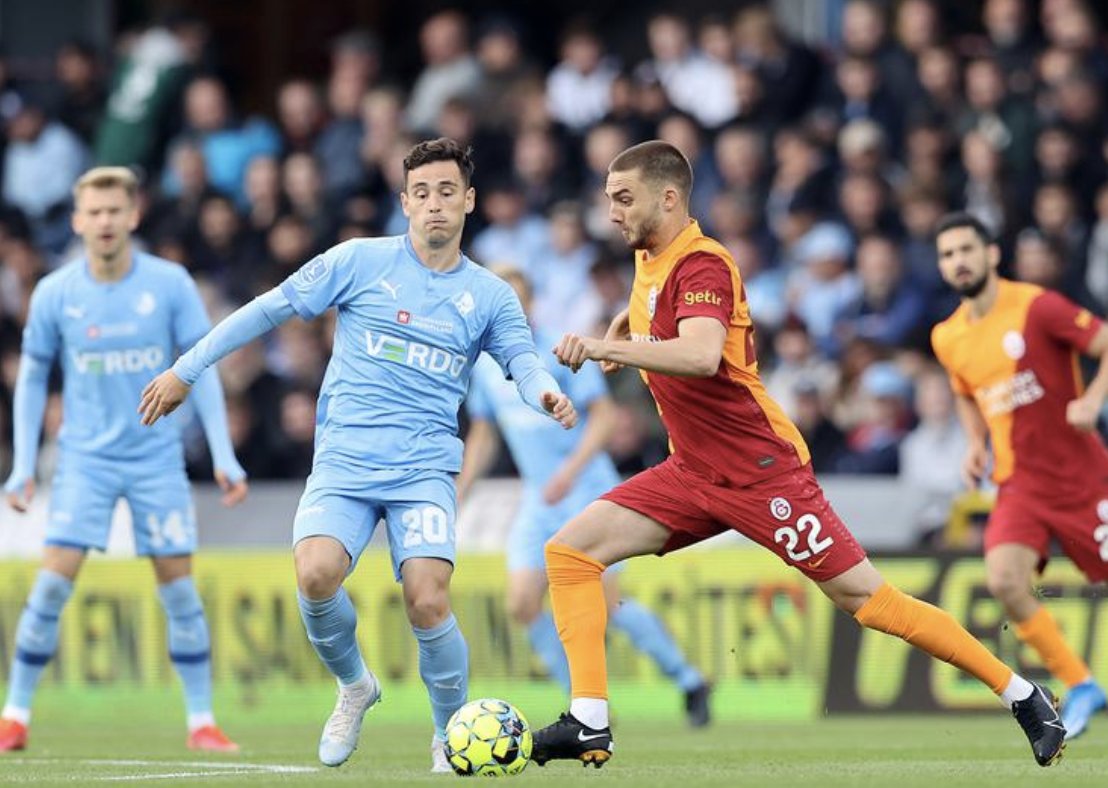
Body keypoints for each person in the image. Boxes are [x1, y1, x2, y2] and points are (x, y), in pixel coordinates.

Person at [529, 141, 1065, 768]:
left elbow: (702, 355)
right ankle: (590, 721)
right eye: (608, 199)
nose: (611, 212)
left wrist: (606, 348)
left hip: (761, 473)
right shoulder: (652, 260)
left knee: (869, 602)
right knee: (569, 554)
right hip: (693, 470)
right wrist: (632, 326)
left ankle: (1024, 696)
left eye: (623, 198)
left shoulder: (702, 265)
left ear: (668, 197)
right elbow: (670, 321)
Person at [136, 138, 577, 772]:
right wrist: (187, 369)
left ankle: (447, 731)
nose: (434, 206)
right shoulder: (358, 262)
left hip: (424, 467)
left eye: (447, 192)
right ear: (404, 203)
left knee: (428, 597)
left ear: (469, 201)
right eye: (422, 194)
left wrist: (545, 394)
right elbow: (268, 310)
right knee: (315, 574)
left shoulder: (488, 296)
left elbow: (523, 360)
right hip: (345, 459)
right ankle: (355, 686)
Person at [0, 166, 248, 753]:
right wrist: (23, 463)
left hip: (156, 460)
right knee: (51, 589)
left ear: (133, 216)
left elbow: (200, 365)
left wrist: (224, 453)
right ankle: (15, 715)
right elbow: (33, 375)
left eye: (116, 210)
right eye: (95, 211)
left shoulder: (169, 284)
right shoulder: (56, 291)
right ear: (77, 220)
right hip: (84, 460)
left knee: (180, 592)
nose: (106, 220)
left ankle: (201, 722)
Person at [456, 266, 711, 726]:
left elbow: (605, 418)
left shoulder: (560, 348)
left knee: (607, 606)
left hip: (585, 489)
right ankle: (581, 702)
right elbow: (484, 434)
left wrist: (570, 474)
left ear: (530, 304)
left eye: (517, 299)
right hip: (541, 498)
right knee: (522, 602)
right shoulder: (485, 365)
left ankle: (688, 679)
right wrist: (460, 491)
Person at [931, 211, 1108, 740]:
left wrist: (1093, 401)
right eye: (947, 255)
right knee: (1004, 578)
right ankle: (1081, 685)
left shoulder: (1037, 306)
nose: (957, 262)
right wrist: (975, 443)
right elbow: (966, 390)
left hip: (1081, 479)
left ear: (991, 254)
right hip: (1019, 484)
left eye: (965, 250)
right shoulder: (948, 337)